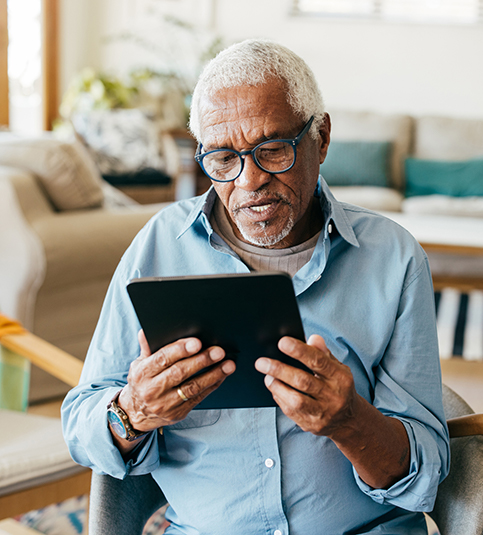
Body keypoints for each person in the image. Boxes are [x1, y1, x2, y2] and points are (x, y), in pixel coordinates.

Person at [62, 39, 449, 534]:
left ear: (322, 137)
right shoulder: (159, 245)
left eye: (271, 150)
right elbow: (80, 424)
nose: (249, 182)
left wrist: (349, 422)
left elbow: (429, 474)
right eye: (223, 159)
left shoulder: (392, 258)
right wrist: (132, 411)